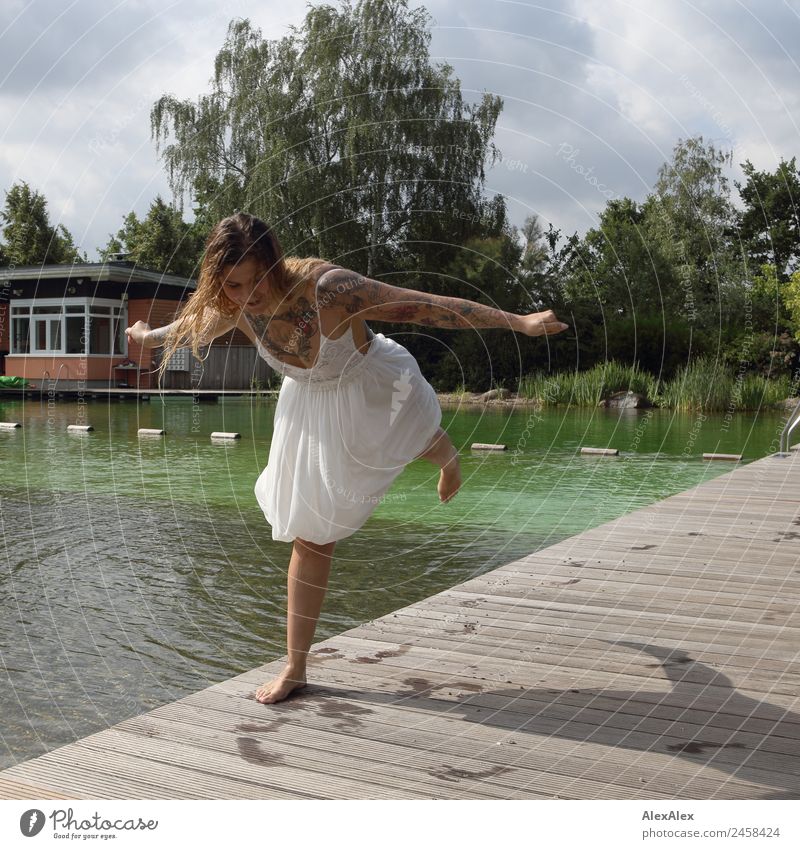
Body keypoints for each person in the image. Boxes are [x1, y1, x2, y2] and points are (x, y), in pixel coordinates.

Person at [126, 212, 568, 704]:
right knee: (311, 538)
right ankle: (295, 667)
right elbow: (184, 327)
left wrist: (519, 323)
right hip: (310, 405)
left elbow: (427, 307)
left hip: (372, 384)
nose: (248, 297)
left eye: (258, 281)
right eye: (233, 286)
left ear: (275, 264)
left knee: (414, 435)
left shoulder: (331, 289)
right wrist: (145, 336)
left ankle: (446, 457)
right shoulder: (229, 307)